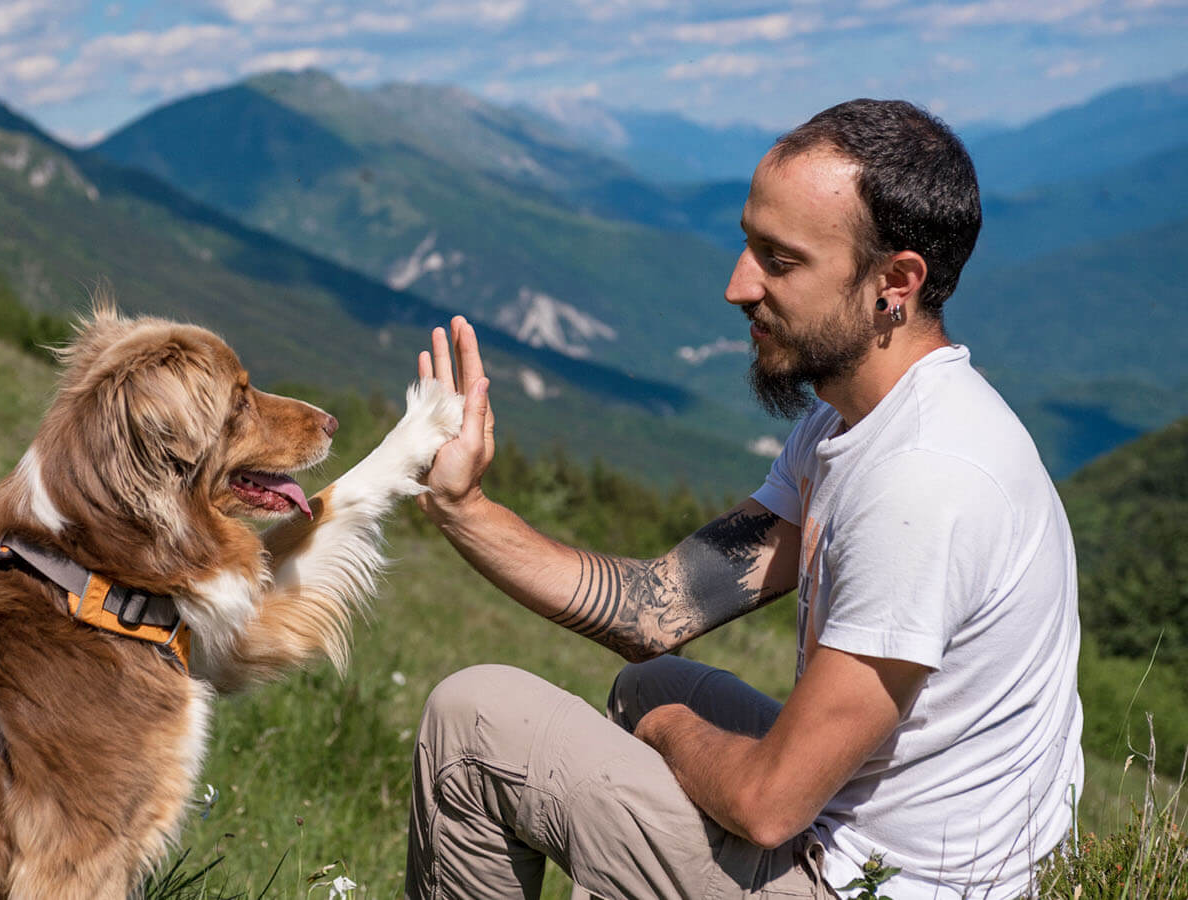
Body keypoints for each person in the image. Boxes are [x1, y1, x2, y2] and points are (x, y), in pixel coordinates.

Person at [404, 99, 1083, 900]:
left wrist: (668, 737)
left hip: (871, 887)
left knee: (471, 721)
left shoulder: (924, 484)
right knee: (650, 681)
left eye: (779, 259)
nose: (737, 285)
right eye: (746, 243)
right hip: (877, 847)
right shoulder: (854, 420)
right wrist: (463, 507)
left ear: (894, 283)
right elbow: (654, 611)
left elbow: (769, 806)